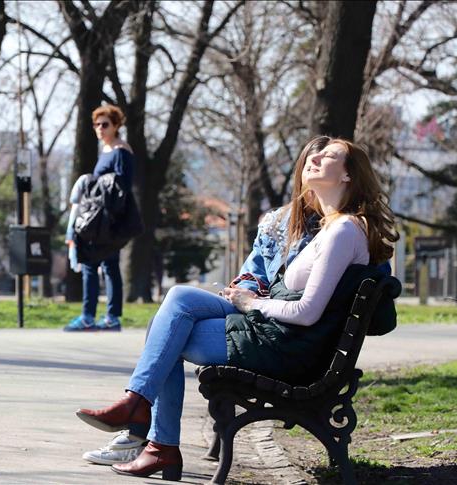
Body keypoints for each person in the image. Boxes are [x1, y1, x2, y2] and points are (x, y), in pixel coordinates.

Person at [75, 138, 398, 481]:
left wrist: (252, 303)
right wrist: (246, 293)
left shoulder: (344, 230)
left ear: (349, 176)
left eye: (329, 155)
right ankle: (142, 415)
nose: (314, 157)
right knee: (176, 304)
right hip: (280, 337)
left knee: (167, 330)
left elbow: (307, 312)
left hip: (285, 347)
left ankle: (153, 433)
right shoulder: (335, 226)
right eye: (313, 154)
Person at [64, 105, 135, 332]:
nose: (100, 128)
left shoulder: (121, 151)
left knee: (98, 264)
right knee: (103, 264)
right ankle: (104, 317)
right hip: (99, 218)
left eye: (105, 124)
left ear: (116, 126)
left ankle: (96, 317)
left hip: (108, 220)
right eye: (96, 124)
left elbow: (121, 187)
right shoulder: (106, 151)